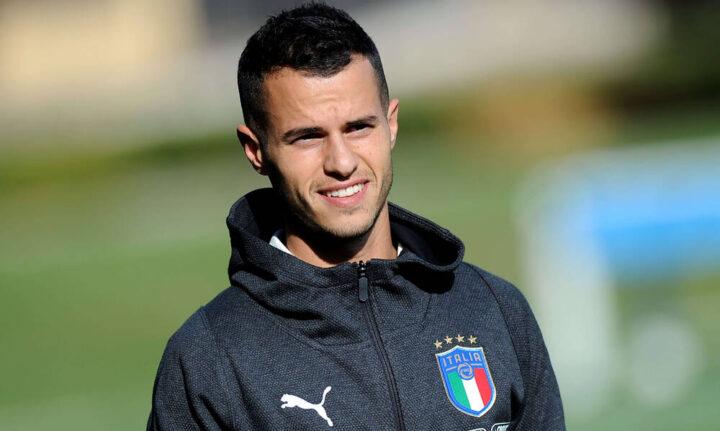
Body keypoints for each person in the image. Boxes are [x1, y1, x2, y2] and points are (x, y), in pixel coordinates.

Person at [147, 3, 565, 430]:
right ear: (256, 151)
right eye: (307, 137)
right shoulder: (208, 359)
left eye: (359, 127)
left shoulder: (494, 309)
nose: (342, 162)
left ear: (391, 124)